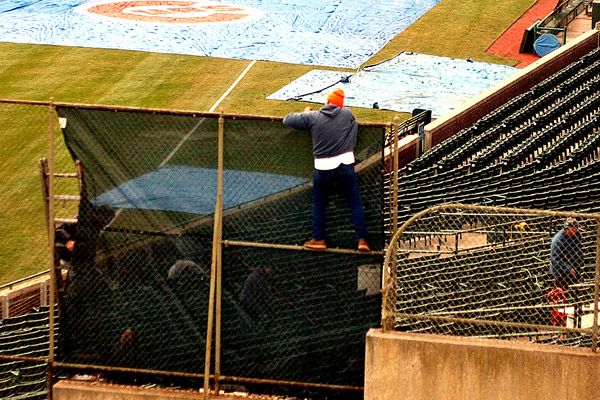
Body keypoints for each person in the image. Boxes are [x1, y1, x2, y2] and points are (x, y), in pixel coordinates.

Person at [282, 89, 370, 252]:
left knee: (319, 202)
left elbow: (287, 120)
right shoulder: (347, 114)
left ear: (327, 102)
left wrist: (306, 113)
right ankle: (362, 240)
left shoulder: (314, 117)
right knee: (355, 203)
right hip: (346, 166)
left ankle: (319, 238)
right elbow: (354, 124)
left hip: (323, 169)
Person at [549, 217, 583, 290]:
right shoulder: (557, 240)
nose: (577, 231)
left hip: (575, 268)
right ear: (568, 229)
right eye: (574, 229)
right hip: (561, 273)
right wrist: (568, 268)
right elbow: (555, 259)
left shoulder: (576, 235)